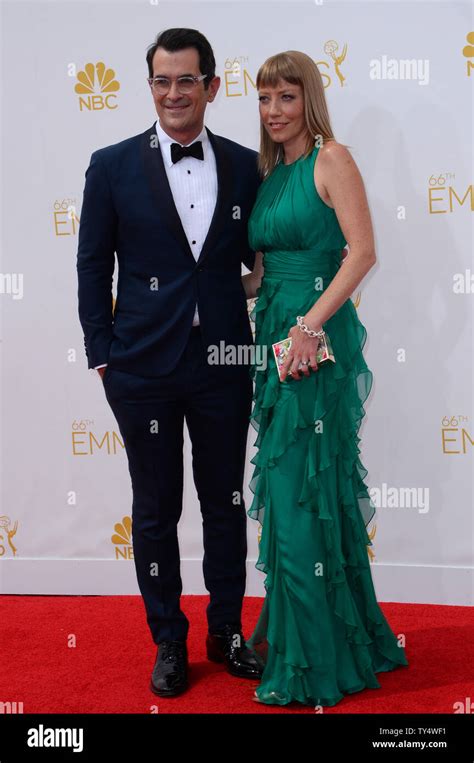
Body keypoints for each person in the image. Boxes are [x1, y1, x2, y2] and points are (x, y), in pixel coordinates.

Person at [76, 28, 264, 698]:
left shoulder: (247, 166)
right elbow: (94, 265)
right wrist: (104, 354)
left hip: (222, 360)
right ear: (149, 85)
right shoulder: (112, 165)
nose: (175, 92)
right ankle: (169, 641)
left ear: (212, 86)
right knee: (155, 509)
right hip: (142, 369)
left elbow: (260, 257)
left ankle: (227, 632)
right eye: (163, 80)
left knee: (224, 501)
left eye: (188, 80)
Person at [241, 50, 409, 707]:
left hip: (313, 342)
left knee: (299, 488)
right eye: (263, 99)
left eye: (285, 97)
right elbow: (265, 272)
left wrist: (309, 325)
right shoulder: (271, 170)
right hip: (275, 336)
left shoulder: (330, 159)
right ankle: (336, 637)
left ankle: (313, 662)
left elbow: (362, 251)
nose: (274, 111)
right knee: (298, 491)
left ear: (308, 99)